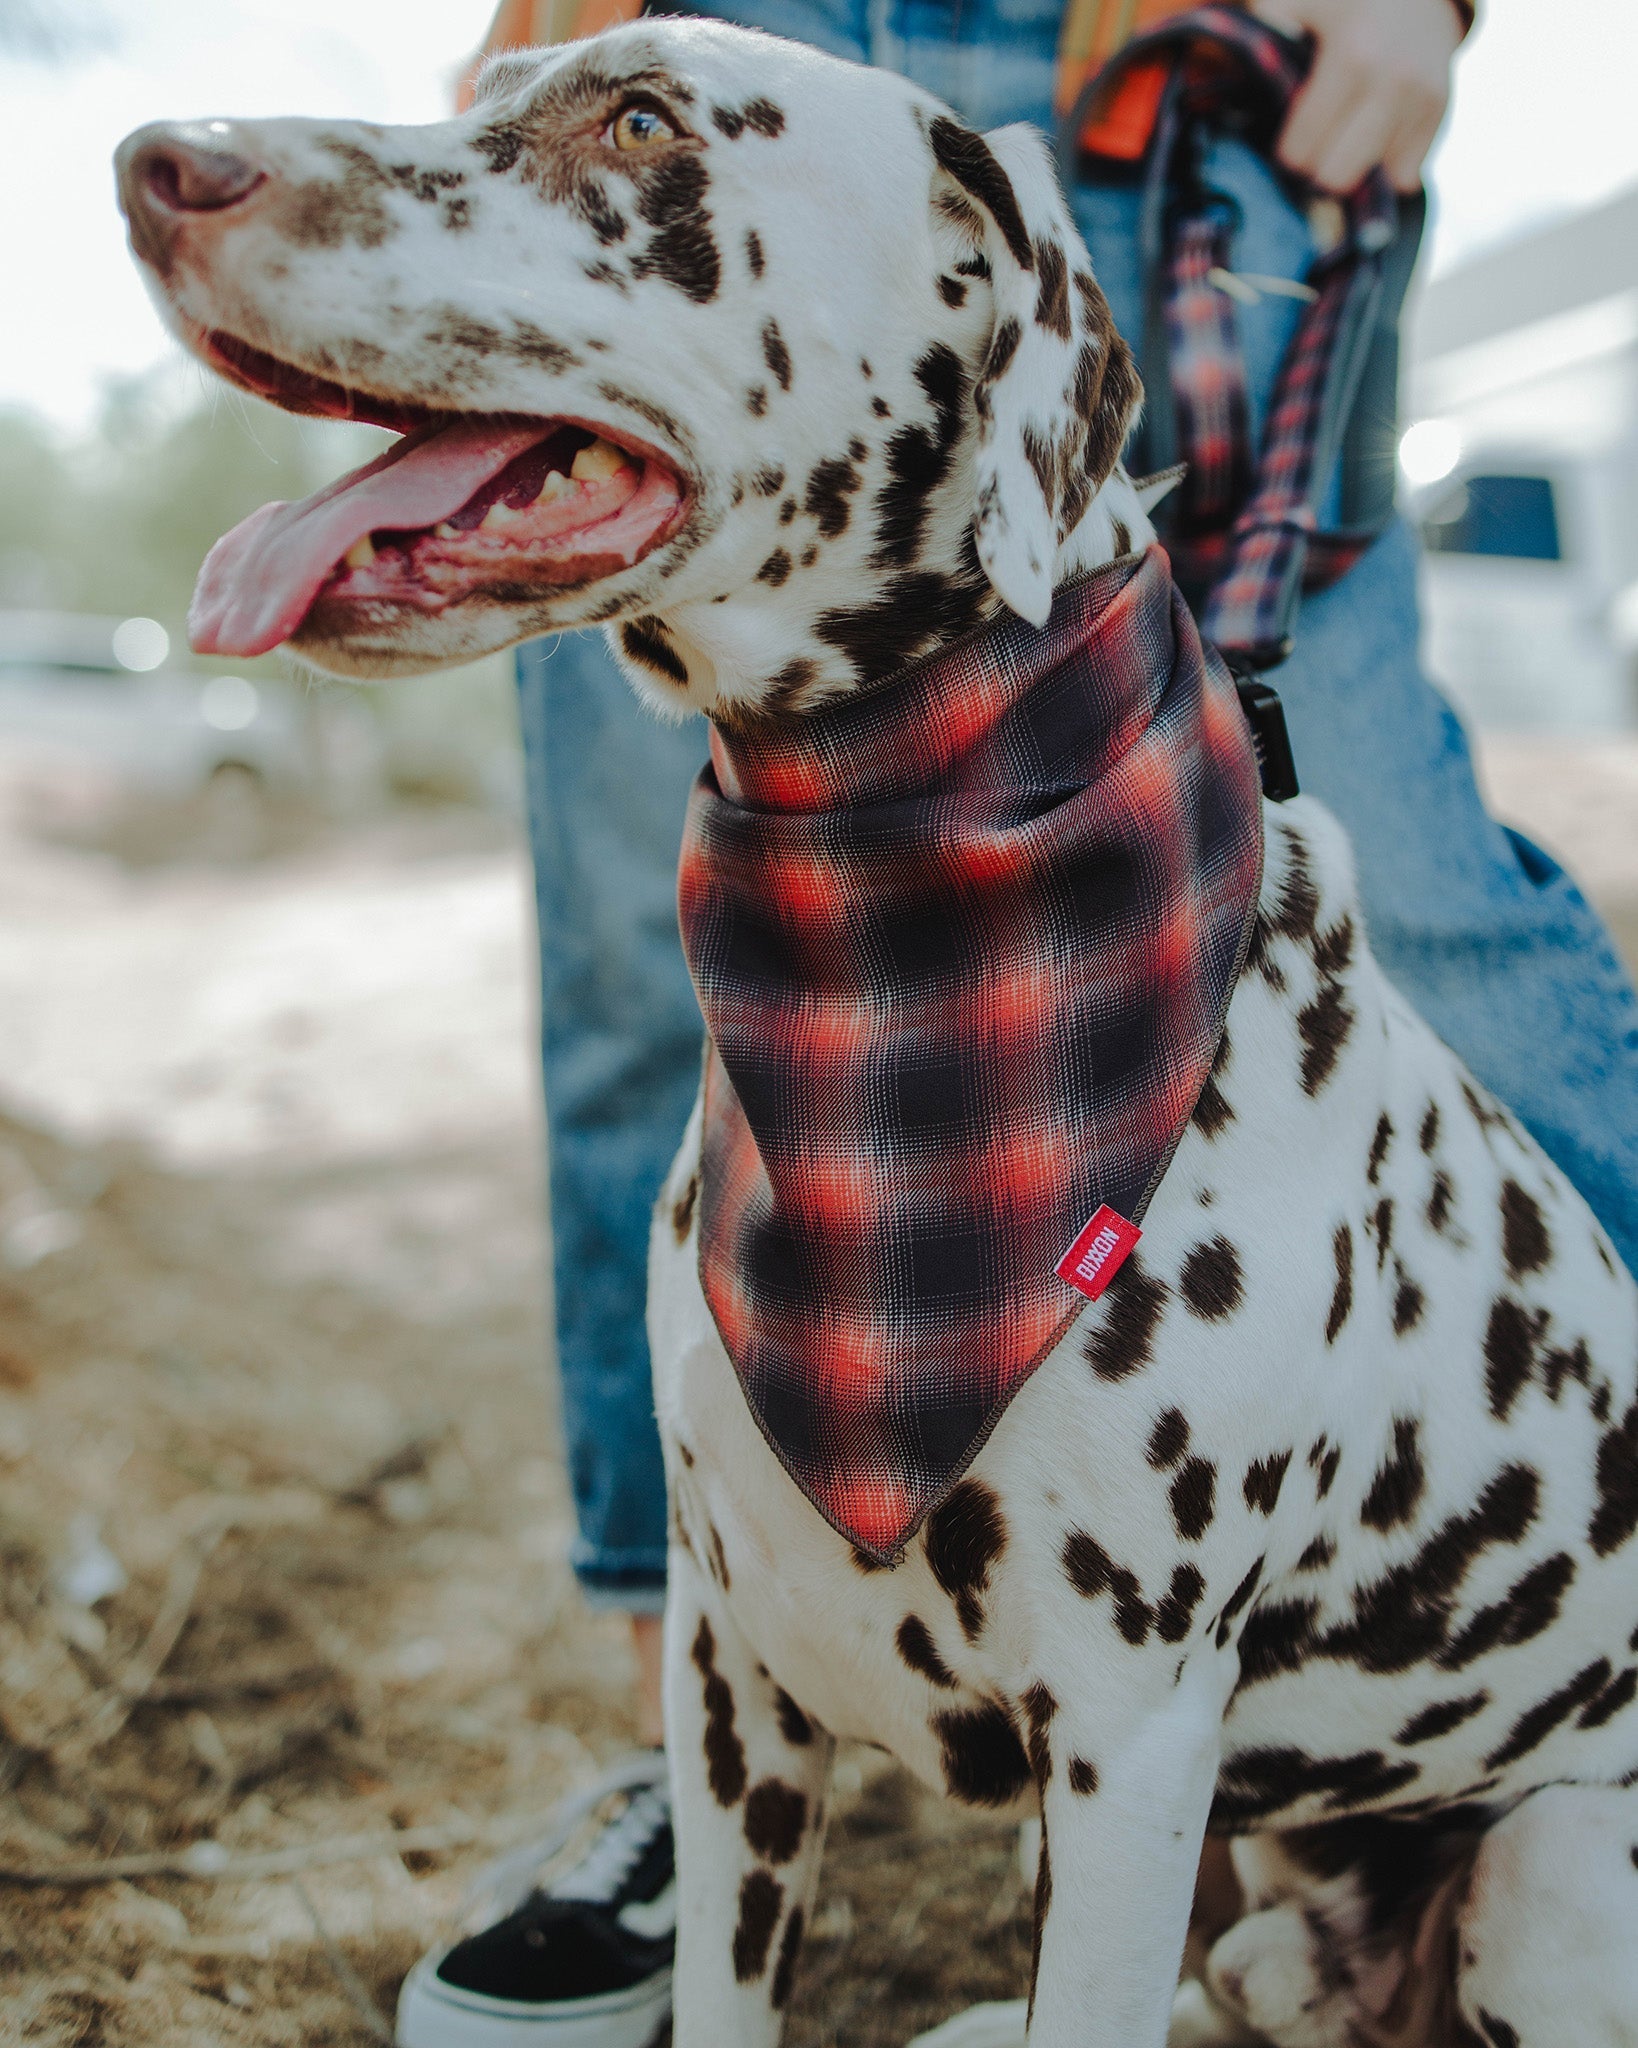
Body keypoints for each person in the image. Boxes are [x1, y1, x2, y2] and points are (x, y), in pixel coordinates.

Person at [395, 1, 1638, 2043]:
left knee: (1418, 898)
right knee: (660, 967)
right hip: (703, 54)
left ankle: (1527, 1691)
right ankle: (684, 1744)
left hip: (1173, 60)